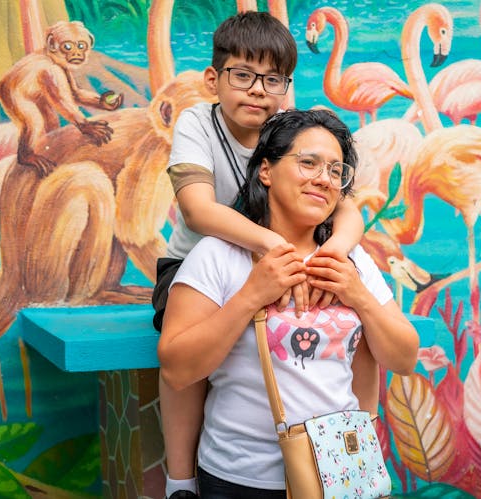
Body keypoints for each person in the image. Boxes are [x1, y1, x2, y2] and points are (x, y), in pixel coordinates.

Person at [153, 12, 366, 499]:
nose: (256, 91)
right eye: (243, 75)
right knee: (182, 337)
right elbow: (198, 210)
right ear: (214, 79)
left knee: (358, 318)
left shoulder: (292, 131)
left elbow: (349, 209)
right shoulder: (197, 123)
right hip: (196, 264)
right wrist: (272, 243)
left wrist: (331, 254)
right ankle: (182, 478)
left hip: (291, 258)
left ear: (286, 86)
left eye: (272, 80)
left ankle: (357, 445)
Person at [158, 109, 419, 498]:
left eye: (335, 170)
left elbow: (405, 358)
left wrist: (359, 296)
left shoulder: (352, 261)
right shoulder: (217, 256)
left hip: (340, 476)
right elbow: (178, 370)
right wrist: (252, 296)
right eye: (308, 163)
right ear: (266, 171)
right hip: (241, 480)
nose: (323, 179)